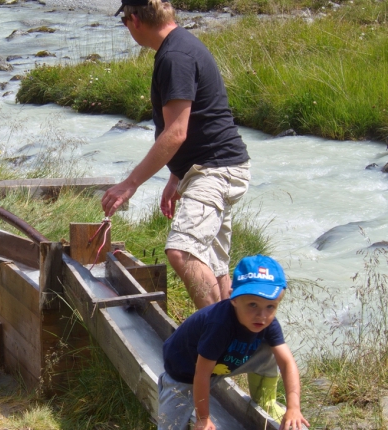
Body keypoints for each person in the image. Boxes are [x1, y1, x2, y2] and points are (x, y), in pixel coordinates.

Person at [103, 0, 251, 310]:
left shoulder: (174, 57)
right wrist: (176, 176)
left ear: (134, 20)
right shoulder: (181, 46)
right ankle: (232, 341)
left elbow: (176, 132)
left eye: (124, 22)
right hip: (217, 166)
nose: (127, 28)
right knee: (213, 260)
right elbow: (197, 122)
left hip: (215, 170)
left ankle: (216, 338)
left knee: (182, 252)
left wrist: (129, 184)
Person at [158, 255, 309, 430]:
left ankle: (265, 398)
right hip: (186, 371)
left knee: (273, 349)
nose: (262, 315)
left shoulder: (267, 322)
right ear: (234, 299)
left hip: (222, 362)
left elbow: (287, 362)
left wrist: (294, 408)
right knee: (169, 426)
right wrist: (203, 418)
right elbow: (201, 373)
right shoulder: (219, 325)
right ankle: (168, 388)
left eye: (270, 306)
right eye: (253, 305)